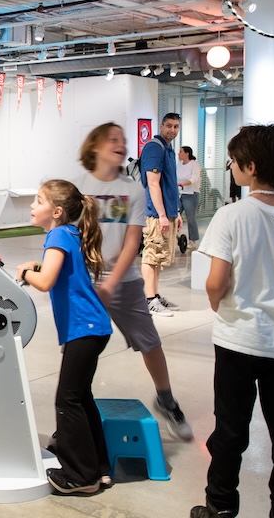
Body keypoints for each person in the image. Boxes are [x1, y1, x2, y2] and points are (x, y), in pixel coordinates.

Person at [192, 124, 274, 518]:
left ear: (250, 167)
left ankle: (219, 506)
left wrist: (217, 303)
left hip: (238, 340)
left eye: (233, 161)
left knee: (230, 430)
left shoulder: (231, 215)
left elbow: (216, 281)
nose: (231, 167)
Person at [74, 123, 193, 441]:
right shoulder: (79, 187)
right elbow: (71, 235)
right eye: (113, 139)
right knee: (80, 350)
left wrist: (111, 283)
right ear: (95, 146)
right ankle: (77, 406)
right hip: (85, 283)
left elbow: (131, 244)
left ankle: (166, 400)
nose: (121, 144)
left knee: (150, 342)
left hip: (123, 282)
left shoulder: (134, 190)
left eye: (123, 140)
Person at [17, 179, 111, 495]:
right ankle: (99, 467)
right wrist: (38, 266)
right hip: (93, 328)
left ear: (56, 211)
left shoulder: (57, 233)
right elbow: (61, 271)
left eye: (38, 200)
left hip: (83, 330)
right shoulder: (70, 232)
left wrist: (25, 273)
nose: (32, 205)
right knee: (81, 398)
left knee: (67, 400)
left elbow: (45, 281)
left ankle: (81, 477)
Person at [140, 112, 183, 316]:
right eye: (169, 126)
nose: (172, 130)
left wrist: (175, 212)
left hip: (167, 213)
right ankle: (149, 299)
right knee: (152, 254)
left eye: (176, 127)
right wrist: (162, 215)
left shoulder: (169, 149)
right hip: (156, 215)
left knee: (159, 257)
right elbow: (153, 184)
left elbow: (170, 184)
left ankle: (155, 295)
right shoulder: (154, 148)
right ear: (161, 126)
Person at [177, 145, 202, 250]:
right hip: (179, 194)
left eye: (181, 152)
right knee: (174, 215)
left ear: (187, 153)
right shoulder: (179, 165)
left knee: (190, 218)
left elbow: (194, 178)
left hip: (191, 194)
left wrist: (183, 184)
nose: (178, 154)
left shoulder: (194, 164)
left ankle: (193, 241)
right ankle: (174, 237)